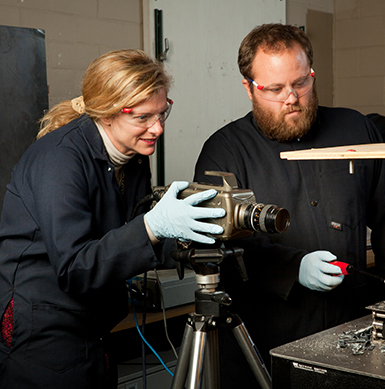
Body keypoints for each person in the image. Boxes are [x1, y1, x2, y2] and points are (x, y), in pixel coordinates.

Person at [193, 24, 385, 387]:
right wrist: (293, 268)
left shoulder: (354, 129)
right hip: (268, 338)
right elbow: (219, 245)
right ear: (249, 88)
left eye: (301, 83)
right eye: (274, 89)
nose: (291, 98)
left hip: (351, 327)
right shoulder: (226, 151)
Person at [0, 49, 226, 388]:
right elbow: (76, 267)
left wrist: (193, 239)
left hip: (95, 318)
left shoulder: (133, 155)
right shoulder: (60, 161)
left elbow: (127, 238)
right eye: (143, 118)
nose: (157, 128)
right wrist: (152, 226)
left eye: (162, 113)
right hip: (42, 324)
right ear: (107, 114)